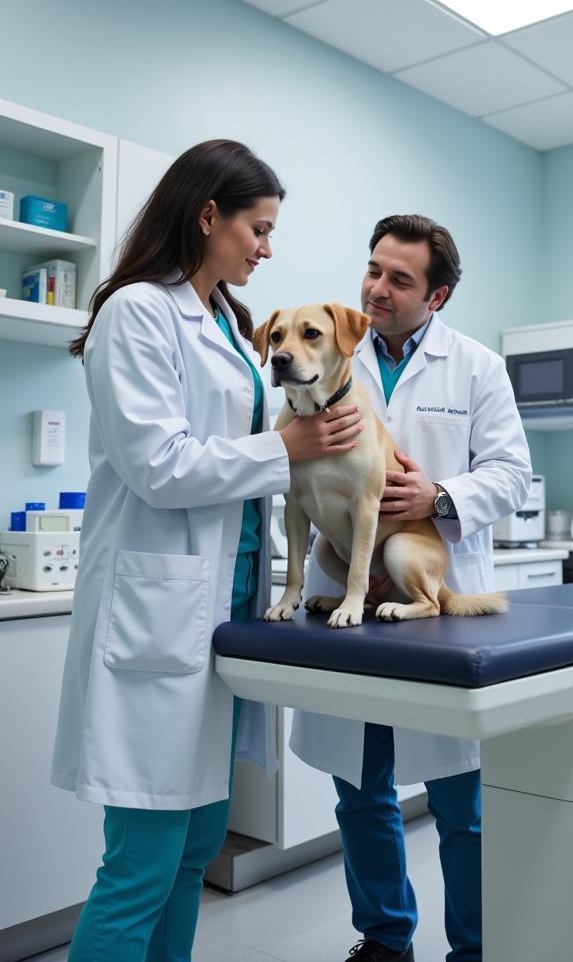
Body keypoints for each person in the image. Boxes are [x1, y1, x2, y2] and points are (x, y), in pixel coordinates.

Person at [53, 139, 363, 962]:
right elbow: (159, 464)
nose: (266, 248)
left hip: (221, 617)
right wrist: (287, 448)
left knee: (194, 854)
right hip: (158, 615)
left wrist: (316, 448)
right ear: (207, 217)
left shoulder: (226, 321)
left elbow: (243, 444)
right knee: (141, 865)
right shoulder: (139, 311)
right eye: (257, 229)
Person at [290, 214, 532, 962]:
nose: (377, 289)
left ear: (439, 294)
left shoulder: (478, 367)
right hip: (346, 601)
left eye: (399, 279)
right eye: (373, 270)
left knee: (463, 798)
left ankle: (475, 949)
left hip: (436, 598)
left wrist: (440, 497)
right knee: (360, 789)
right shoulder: (328, 346)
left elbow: (513, 474)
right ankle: (385, 940)